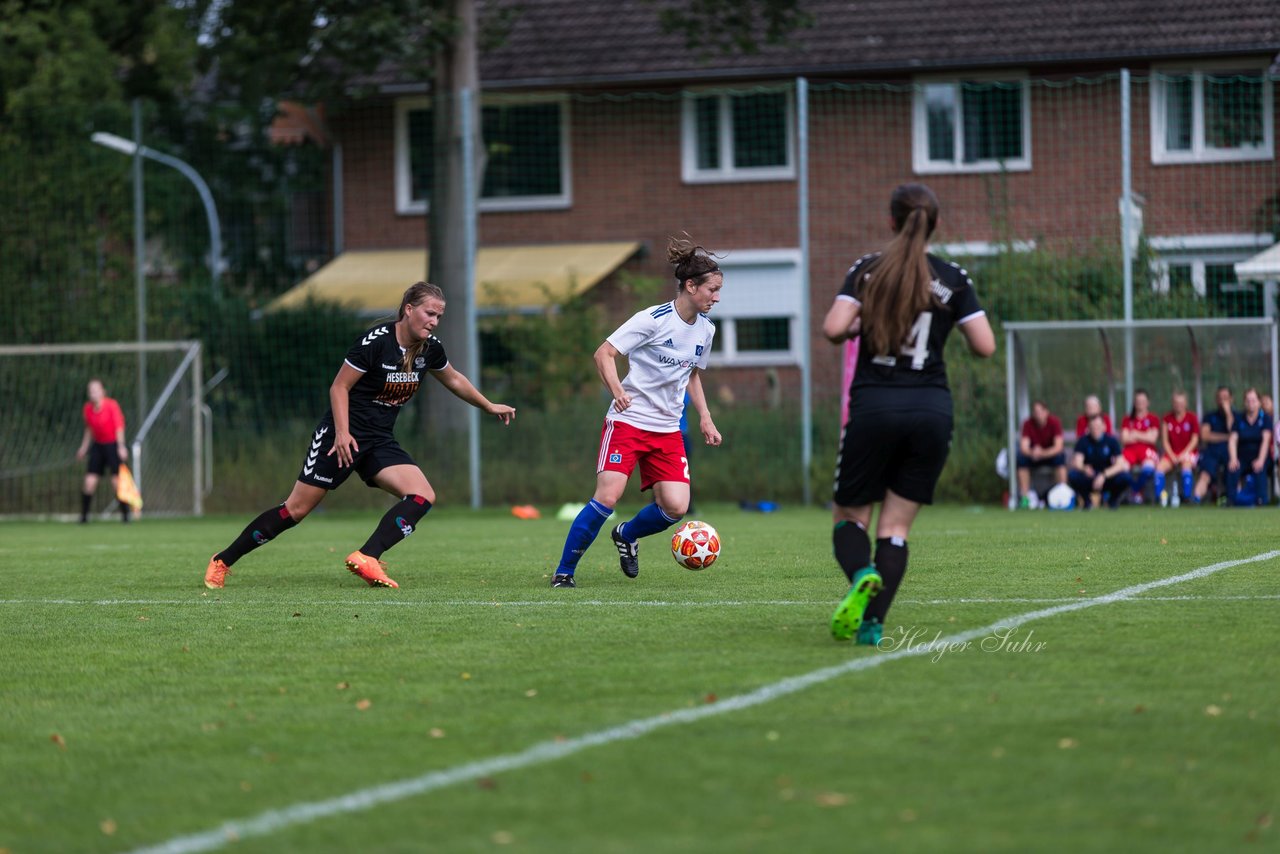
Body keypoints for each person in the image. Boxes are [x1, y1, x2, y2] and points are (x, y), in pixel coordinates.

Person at [203, 282, 515, 589]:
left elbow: (454, 379)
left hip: (379, 439)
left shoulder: (429, 349)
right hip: (340, 436)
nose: (433, 322)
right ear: (409, 310)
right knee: (295, 510)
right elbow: (339, 387)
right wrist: (342, 434)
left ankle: (367, 556)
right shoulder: (375, 342)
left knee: (422, 496)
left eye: (438, 317)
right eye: (429, 313)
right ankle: (223, 560)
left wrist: (487, 405)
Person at [821, 183, 995, 644]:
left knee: (849, 517)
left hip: (875, 407)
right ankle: (873, 626)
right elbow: (985, 346)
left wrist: (865, 322)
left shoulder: (868, 271)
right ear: (934, 225)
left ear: (891, 222)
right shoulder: (951, 277)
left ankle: (861, 574)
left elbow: (834, 328)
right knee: (895, 528)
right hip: (930, 410)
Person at [549, 236, 723, 589]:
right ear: (691, 286)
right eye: (712, 290)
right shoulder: (653, 319)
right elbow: (604, 354)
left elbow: (691, 373)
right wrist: (617, 391)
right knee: (608, 497)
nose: (717, 297)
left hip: (668, 430)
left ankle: (626, 534)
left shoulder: (706, 329)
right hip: (628, 423)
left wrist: (705, 416)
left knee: (676, 508)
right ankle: (564, 572)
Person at [75, 378, 131, 523]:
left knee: (116, 482)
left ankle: (126, 515)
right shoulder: (87, 409)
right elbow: (89, 430)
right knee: (89, 481)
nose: (93, 393)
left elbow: (119, 426)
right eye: (90, 390)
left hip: (112, 445)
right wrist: (83, 448)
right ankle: (84, 517)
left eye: (96, 390)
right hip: (98, 446)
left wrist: (121, 446)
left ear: (102, 392)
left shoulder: (112, 405)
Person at [1068, 413, 1132, 509]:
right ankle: (1087, 502)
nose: (1095, 430)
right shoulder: (1083, 441)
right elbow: (1077, 462)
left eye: (1098, 426)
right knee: (1073, 475)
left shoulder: (1112, 441)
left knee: (1126, 477)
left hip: (1107, 477)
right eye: (1093, 427)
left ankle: (1112, 501)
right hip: (1090, 476)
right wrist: (1084, 469)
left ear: (1104, 427)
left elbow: (1120, 464)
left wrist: (1103, 475)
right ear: (1089, 428)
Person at [1226, 387, 1273, 505]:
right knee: (1233, 467)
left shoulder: (1265, 419)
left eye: (1253, 400)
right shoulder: (1238, 419)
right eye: (1248, 400)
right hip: (1242, 456)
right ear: (1244, 402)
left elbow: (1266, 440)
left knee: (1259, 469)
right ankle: (1231, 500)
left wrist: (1261, 460)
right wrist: (1233, 458)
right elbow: (1232, 440)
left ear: (1259, 402)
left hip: (1260, 456)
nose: (1251, 403)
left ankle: (1262, 500)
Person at [1016, 400, 1067, 507]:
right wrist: (1033, 452)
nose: (1037, 414)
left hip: (1049, 455)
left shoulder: (1054, 422)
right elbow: (1024, 447)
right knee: (1021, 459)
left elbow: (1058, 447)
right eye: (1035, 411)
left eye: (1040, 411)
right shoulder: (1028, 423)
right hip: (1034, 456)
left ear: (1046, 412)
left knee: (1060, 458)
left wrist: (1042, 453)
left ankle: (1063, 496)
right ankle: (1025, 498)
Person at [1193, 386, 1236, 504]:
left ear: (1231, 399)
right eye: (1220, 398)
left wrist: (1228, 413)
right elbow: (1205, 436)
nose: (1223, 401)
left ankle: (1233, 499)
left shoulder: (1236, 416)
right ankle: (1196, 498)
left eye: (1225, 398)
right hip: (1212, 451)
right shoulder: (1210, 416)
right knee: (1205, 473)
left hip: (1231, 452)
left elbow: (1232, 429)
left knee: (1234, 470)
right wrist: (1227, 437)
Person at [1156, 390, 1199, 506]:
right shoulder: (1167, 418)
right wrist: (1172, 456)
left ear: (1185, 403)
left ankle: (1186, 498)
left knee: (1186, 466)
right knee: (1159, 468)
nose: (1178, 406)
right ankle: (1159, 498)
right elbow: (1165, 441)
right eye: (1176, 403)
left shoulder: (1192, 418)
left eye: (1181, 403)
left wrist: (1183, 454)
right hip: (1171, 453)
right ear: (1173, 403)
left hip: (1188, 452)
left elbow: (1194, 440)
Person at [1120, 389, 1160, 503]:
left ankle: (1135, 491)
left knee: (1149, 467)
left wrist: (1136, 434)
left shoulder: (1153, 419)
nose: (1140, 403)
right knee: (1121, 467)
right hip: (1130, 450)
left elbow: (1152, 439)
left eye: (1143, 401)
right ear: (1134, 402)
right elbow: (1124, 439)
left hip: (1147, 451)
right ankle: (1131, 493)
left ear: (1148, 403)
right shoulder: (1127, 419)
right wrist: (1145, 435)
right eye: (1137, 401)